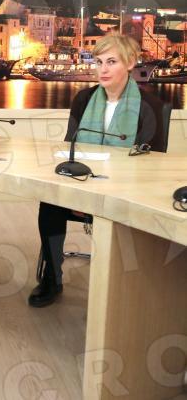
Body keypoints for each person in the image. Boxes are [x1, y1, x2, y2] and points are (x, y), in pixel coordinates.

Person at [29, 34, 166, 308]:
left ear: (130, 63)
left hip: (127, 191)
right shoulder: (83, 99)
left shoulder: (151, 106)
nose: (102, 69)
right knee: (50, 203)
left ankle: (127, 283)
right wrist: (82, 192)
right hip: (82, 185)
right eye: (99, 62)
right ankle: (52, 277)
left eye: (111, 62)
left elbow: (152, 165)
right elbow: (69, 149)